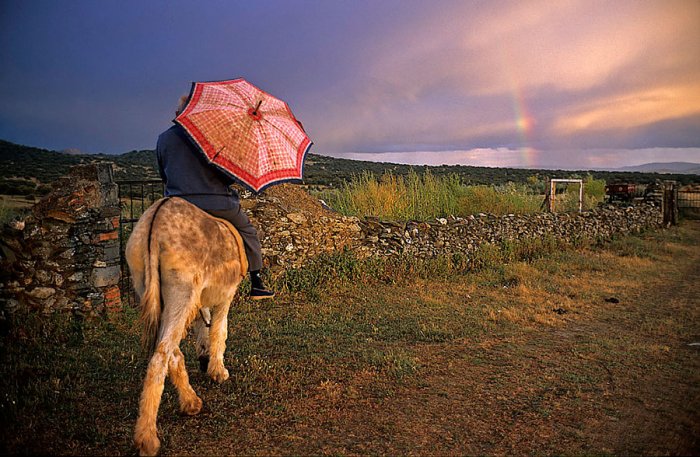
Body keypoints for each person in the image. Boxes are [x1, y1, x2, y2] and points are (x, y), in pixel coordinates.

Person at [155, 95, 274, 300]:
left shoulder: (164, 138)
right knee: (248, 231)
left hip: (177, 205)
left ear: (178, 114)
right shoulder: (213, 135)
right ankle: (256, 280)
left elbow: (163, 174)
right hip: (217, 203)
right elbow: (228, 176)